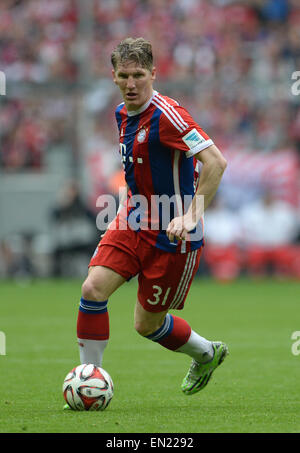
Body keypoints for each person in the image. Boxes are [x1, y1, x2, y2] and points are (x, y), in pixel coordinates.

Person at [72, 37, 228, 406]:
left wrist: (191, 216)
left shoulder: (169, 115)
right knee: (92, 290)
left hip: (174, 236)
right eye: (123, 75)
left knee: (147, 326)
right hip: (133, 219)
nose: (131, 83)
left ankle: (206, 353)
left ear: (153, 74)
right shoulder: (121, 113)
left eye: (139, 75)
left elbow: (216, 162)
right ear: (112, 76)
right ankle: (89, 382)